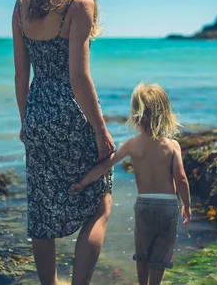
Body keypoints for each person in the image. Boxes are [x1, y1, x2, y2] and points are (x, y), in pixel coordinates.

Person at [12, 0, 114, 285]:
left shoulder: (22, 4)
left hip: (38, 113)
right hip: (73, 116)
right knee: (100, 200)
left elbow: (21, 72)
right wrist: (101, 131)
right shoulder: (79, 5)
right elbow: (79, 77)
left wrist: (27, 122)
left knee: (41, 210)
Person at [69, 83, 191, 285]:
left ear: (136, 115)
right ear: (165, 114)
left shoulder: (132, 145)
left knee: (142, 250)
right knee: (161, 252)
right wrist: (186, 204)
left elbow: (105, 165)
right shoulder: (172, 146)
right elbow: (181, 178)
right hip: (169, 205)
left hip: (144, 204)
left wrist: (83, 182)